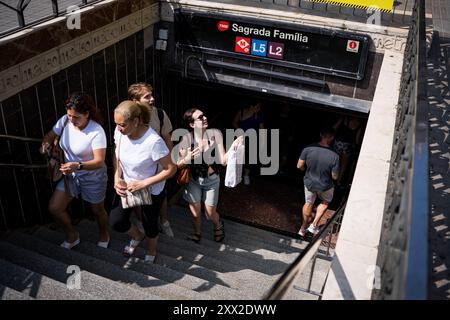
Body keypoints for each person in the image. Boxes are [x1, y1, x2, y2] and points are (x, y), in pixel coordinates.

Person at [40, 92, 109, 249]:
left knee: (97, 210)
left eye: (76, 117)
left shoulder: (96, 131)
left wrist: (77, 165)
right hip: (69, 175)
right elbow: (49, 136)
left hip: (92, 176)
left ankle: (104, 233)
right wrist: (46, 146)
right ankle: (72, 235)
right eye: (69, 115)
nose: (72, 120)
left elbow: (99, 161)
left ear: (87, 114)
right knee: (55, 208)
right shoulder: (65, 121)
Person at [109, 101, 176, 263]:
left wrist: (144, 183)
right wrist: (117, 177)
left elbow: (171, 169)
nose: (118, 128)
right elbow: (117, 156)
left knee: (150, 223)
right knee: (117, 221)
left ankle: (151, 249)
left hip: (151, 190)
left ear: (136, 121)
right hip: (128, 186)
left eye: (122, 125)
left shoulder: (153, 142)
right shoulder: (120, 132)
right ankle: (138, 236)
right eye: (116, 124)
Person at [176, 108, 243, 243]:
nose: (205, 118)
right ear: (192, 124)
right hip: (194, 181)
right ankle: (197, 233)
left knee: (209, 214)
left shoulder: (215, 135)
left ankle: (218, 224)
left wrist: (234, 146)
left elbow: (223, 161)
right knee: (195, 214)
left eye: (204, 115)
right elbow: (179, 165)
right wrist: (187, 158)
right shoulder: (186, 139)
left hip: (212, 181)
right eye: (200, 117)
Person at [128, 82, 175, 238]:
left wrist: (168, 163)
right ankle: (142, 222)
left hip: (157, 169)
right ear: (135, 101)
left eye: (151, 95)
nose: (152, 99)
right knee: (136, 197)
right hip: (136, 168)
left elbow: (167, 139)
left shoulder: (159, 114)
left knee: (161, 197)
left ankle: (164, 221)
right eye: (147, 96)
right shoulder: (128, 117)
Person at [297, 127, 340, 236]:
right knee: (325, 202)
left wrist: (306, 170)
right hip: (325, 185)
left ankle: (302, 228)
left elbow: (299, 166)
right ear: (332, 138)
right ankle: (314, 225)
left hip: (309, 182)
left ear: (321, 135)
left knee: (308, 203)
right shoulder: (335, 156)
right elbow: (334, 176)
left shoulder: (308, 148)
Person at [232, 102, 265, 185]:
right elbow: (234, 122)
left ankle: (246, 175)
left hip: (252, 139)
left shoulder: (259, 116)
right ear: (251, 106)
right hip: (240, 138)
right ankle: (236, 175)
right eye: (257, 106)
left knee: (249, 158)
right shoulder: (242, 112)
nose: (259, 108)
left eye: (259, 107)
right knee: (238, 156)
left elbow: (262, 129)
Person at [333, 116, 363, 187]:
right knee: (344, 165)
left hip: (338, 143)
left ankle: (332, 177)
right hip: (348, 146)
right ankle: (338, 181)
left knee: (335, 161)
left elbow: (334, 127)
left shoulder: (345, 119)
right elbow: (357, 140)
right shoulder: (359, 125)